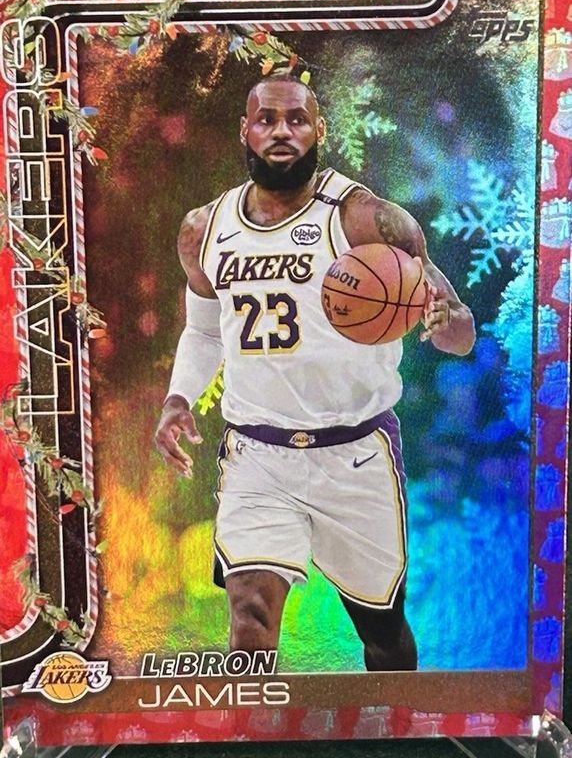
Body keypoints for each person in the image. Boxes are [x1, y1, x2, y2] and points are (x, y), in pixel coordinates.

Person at [155, 74, 475, 671]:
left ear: (319, 130)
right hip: (258, 453)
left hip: (355, 452)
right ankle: (253, 721)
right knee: (249, 614)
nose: (282, 131)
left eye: (296, 119)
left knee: (383, 633)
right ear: (245, 130)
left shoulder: (368, 220)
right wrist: (179, 399)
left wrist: (443, 319)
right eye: (267, 119)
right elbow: (203, 331)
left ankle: (395, 716)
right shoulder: (204, 229)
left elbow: (460, 333)